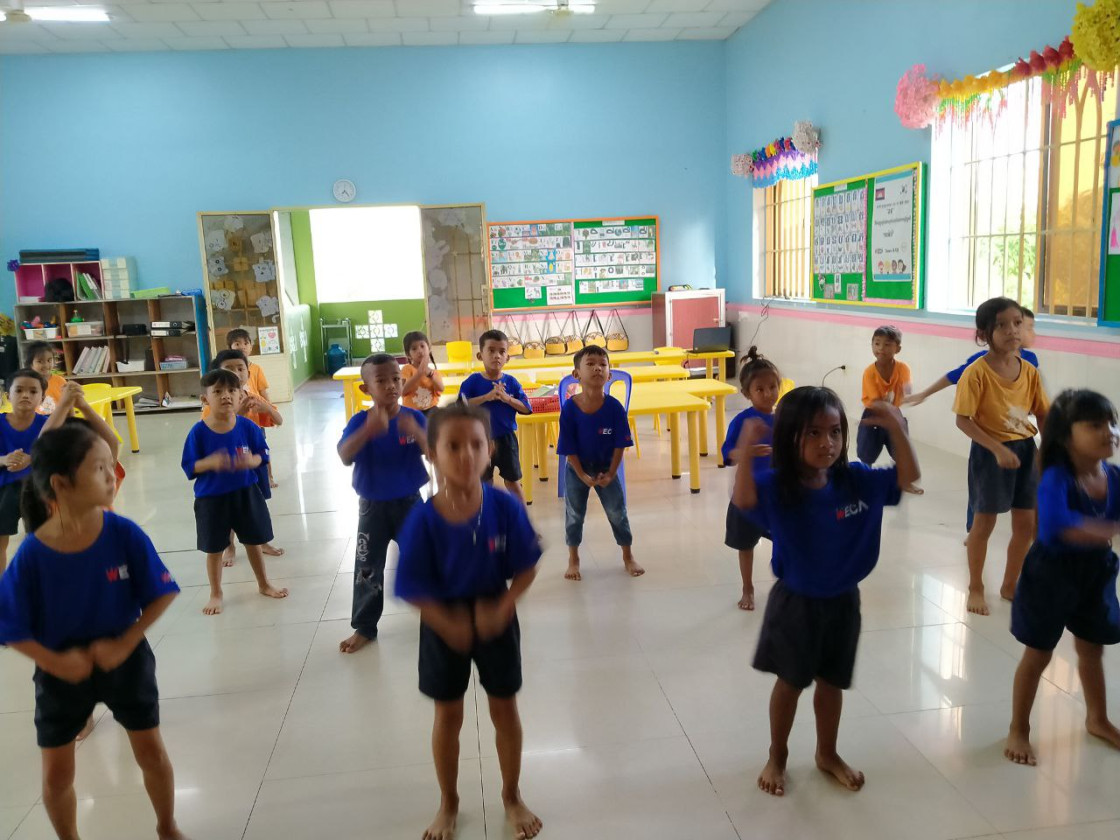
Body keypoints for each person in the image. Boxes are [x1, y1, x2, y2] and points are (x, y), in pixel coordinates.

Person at [0, 421, 184, 840]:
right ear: (61, 484)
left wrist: (126, 641)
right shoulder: (32, 555)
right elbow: (9, 624)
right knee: (56, 775)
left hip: (126, 660)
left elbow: (162, 592)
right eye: (99, 468)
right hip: (60, 671)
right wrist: (54, 662)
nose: (111, 475)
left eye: (110, 465)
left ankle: (167, 826)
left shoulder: (124, 534)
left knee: (151, 753)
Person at [732, 386, 919, 796]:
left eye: (834, 432)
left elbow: (908, 478)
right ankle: (777, 755)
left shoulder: (856, 480)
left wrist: (898, 431)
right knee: (791, 682)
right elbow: (743, 499)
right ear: (790, 437)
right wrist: (745, 453)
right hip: (796, 604)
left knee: (832, 682)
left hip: (843, 601)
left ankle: (827, 753)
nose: (827, 443)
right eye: (813, 433)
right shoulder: (779, 485)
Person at [395, 402, 542, 840]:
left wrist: (505, 605)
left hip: (496, 613)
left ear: (490, 449)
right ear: (432, 455)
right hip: (442, 620)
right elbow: (411, 587)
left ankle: (512, 795)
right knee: (448, 714)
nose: (466, 456)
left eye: (476, 445)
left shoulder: (505, 506)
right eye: (453, 446)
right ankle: (449, 802)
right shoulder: (423, 519)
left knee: (504, 708)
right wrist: (447, 624)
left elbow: (527, 566)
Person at [1005, 389, 1120, 765]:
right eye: (1095, 425)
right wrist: (1108, 529)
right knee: (1039, 652)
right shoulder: (1056, 477)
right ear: (1067, 436)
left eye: (1112, 424)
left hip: (1096, 572)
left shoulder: (1113, 476)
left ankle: (1097, 719)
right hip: (1052, 574)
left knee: (1092, 649)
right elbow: (1056, 526)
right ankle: (1019, 728)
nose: (1109, 432)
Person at [952, 298, 1048, 616]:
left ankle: (1010, 584)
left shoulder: (1030, 372)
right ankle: (976, 587)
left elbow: (1043, 414)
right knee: (984, 523)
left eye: (1017, 323)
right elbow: (963, 420)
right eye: (1002, 325)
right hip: (989, 453)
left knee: (1026, 523)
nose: (1012, 331)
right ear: (983, 334)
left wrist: (1050, 452)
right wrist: (996, 448)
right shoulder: (976, 373)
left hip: (1025, 450)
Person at [906, 307, 1040, 533]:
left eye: (1022, 326)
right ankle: (974, 529)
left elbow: (1031, 394)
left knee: (1029, 494)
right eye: (1027, 327)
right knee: (982, 494)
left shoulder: (1030, 361)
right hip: (990, 440)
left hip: (1021, 438)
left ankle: (1035, 536)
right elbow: (953, 376)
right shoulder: (980, 364)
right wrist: (924, 393)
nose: (1021, 332)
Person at [337, 353, 429, 654]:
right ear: (366, 389)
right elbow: (344, 456)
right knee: (367, 567)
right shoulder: (359, 421)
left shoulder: (413, 418)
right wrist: (368, 430)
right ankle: (364, 627)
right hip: (372, 507)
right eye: (381, 381)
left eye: (396, 379)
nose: (391, 385)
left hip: (410, 503)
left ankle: (437, 615)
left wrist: (418, 433)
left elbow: (436, 453)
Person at [182, 368, 288, 616]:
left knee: (253, 540)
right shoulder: (198, 432)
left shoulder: (247, 427)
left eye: (232, 390)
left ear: (241, 395)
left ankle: (264, 584)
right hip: (211, 499)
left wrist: (253, 461)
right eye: (218, 391)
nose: (226, 396)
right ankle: (216, 593)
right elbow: (189, 465)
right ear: (205, 399)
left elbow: (263, 453)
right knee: (214, 549)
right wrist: (210, 462)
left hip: (246, 493)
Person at [557, 345, 641, 581]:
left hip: (606, 467)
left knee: (617, 512)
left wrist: (612, 473)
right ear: (576, 374)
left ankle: (628, 556)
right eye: (591, 364)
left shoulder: (614, 408)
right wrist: (581, 474)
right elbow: (568, 447)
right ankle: (573, 559)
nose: (597, 368)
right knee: (575, 514)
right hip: (577, 468)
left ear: (609, 374)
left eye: (603, 364)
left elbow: (620, 444)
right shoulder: (570, 409)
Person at [206, 349, 285, 562]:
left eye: (240, 368)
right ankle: (229, 546)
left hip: (253, 462)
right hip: (229, 465)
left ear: (248, 373)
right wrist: (239, 410)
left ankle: (262, 542)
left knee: (257, 506)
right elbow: (219, 427)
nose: (236, 373)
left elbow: (279, 420)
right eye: (229, 368)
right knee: (231, 508)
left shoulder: (252, 397)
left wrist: (266, 407)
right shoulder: (215, 403)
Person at [722, 346, 781, 610]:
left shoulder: (783, 419)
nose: (768, 393)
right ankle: (748, 587)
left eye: (772, 387)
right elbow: (728, 454)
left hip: (777, 495)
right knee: (745, 545)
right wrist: (746, 450)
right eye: (760, 389)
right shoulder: (743, 421)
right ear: (747, 393)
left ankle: (786, 583)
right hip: (747, 496)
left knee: (785, 538)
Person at [458, 330, 532, 504]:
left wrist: (507, 399)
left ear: (507, 357)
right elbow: (461, 405)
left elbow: (526, 408)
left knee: (513, 482)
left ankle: (522, 517)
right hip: (479, 440)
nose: (496, 356)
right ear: (480, 355)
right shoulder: (472, 381)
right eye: (491, 350)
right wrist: (487, 397)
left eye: (502, 351)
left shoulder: (512, 382)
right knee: (484, 482)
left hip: (507, 440)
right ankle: (485, 516)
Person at [1, 369, 55, 574]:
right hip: (4, 490)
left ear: (42, 397)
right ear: (8, 396)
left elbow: (55, 455)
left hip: (37, 488)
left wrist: (31, 459)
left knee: (41, 537)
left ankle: (42, 579)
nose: (26, 395)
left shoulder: (47, 424)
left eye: (33, 391)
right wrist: (4, 459)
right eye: (19, 390)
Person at [227, 328, 280, 488]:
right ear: (230, 347)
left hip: (254, 416)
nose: (242, 346)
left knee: (261, 447)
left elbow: (263, 392)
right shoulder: (226, 374)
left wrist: (269, 409)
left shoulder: (256, 369)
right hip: (235, 419)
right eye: (237, 343)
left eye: (246, 343)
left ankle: (268, 476)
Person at [856, 325, 911, 466]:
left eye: (887, 344)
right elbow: (876, 401)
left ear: (897, 349)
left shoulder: (903, 368)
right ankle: (865, 473)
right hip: (873, 413)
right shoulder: (869, 372)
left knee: (901, 451)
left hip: (894, 413)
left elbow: (906, 388)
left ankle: (898, 475)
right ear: (872, 345)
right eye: (877, 343)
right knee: (866, 452)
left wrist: (908, 393)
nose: (881, 348)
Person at [401, 330, 444, 414]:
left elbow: (441, 388)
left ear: (429, 348)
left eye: (422, 346)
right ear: (408, 354)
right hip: (412, 412)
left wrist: (431, 375)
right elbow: (403, 391)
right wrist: (419, 373)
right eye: (414, 349)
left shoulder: (433, 372)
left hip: (431, 409)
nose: (419, 351)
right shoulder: (407, 369)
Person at [24, 341, 66, 415]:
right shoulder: (27, 383)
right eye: (40, 361)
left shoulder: (60, 381)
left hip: (59, 418)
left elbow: (67, 402)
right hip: (37, 419)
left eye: (49, 360)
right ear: (30, 364)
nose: (46, 365)